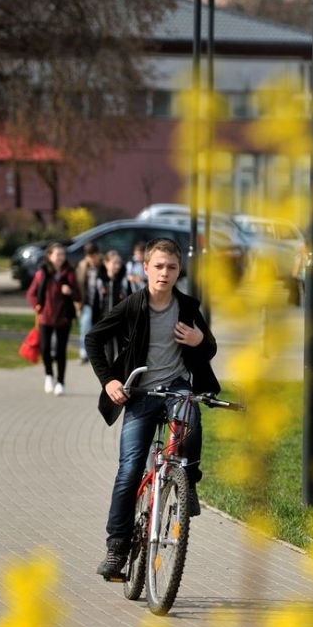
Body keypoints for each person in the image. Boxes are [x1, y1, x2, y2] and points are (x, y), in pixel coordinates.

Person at [85, 237, 219, 579]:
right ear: (145, 268)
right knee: (129, 469)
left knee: (190, 414)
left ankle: (187, 481)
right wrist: (109, 381)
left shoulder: (187, 307)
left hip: (176, 387)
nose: (164, 273)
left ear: (178, 271)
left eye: (171, 267)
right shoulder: (132, 305)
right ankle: (116, 549)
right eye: (158, 266)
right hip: (141, 392)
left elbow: (209, 347)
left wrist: (199, 340)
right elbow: (93, 339)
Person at [26, 242, 81, 396]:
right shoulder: (42, 273)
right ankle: (49, 375)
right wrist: (38, 307)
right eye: (57, 254)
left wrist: (70, 292)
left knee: (60, 351)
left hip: (64, 317)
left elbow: (78, 295)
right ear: (49, 256)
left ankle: (61, 382)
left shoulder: (70, 273)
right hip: (46, 317)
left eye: (62, 254)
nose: (60, 257)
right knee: (45, 349)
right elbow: (31, 293)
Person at [75, 241, 102, 365]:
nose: (92, 259)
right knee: (85, 327)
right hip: (86, 302)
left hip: (100, 302)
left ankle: (98, 354)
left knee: (99, 329)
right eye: (89, 256)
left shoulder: (103, 265)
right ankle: (83, 353)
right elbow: (78, 284)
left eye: (94, 256)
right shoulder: (82, 266)